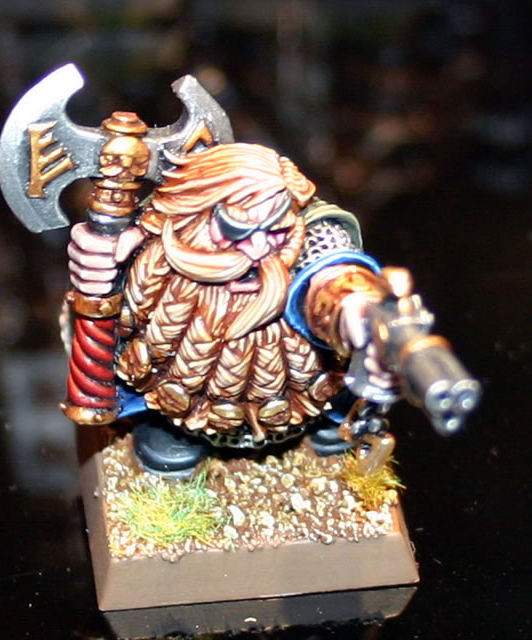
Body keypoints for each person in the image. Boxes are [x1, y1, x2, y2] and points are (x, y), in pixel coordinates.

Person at [67, 142, 398, 475]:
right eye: (238, 229)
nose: (258, 249)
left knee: (331, 383)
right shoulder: (170, 237)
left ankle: (325, 416)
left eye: (276, 232)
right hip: (180, 391)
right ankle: (178, 430)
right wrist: (105, 261)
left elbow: (332, 264)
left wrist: (354, 304)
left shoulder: (307, 234)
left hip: (296, 388)